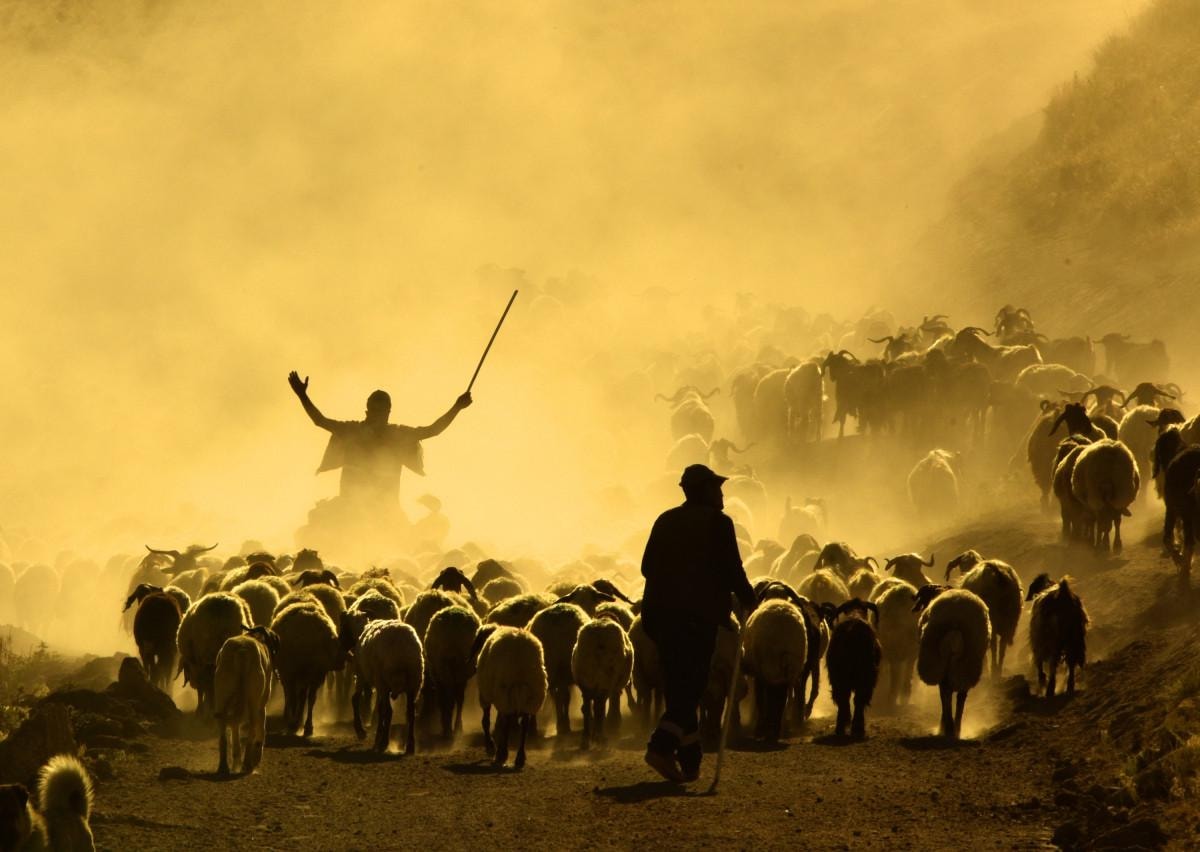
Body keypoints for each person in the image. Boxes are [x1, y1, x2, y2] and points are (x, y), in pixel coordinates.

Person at [640, 463, 756, 783]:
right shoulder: (719, 523)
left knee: (679, 686)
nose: (722, 494)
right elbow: (732, 568)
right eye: (716, 488)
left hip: (659, 619)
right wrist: (748, 596)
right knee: (691, 688)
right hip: (695, 619)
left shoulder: (665, 520)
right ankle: (661, 747)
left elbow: (647, 567)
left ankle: (690, 761)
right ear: (703, 491)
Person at [287, 370, 471, 509]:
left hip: (385, 511)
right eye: (376, 411)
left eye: (382, 411)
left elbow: (433, 430)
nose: (379, 415)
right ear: (368, 410)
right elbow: (320, 421)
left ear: (388, 412)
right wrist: (302, 395)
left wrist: (457, 407)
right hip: (350, 509)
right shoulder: (355, 431)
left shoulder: (393, 435)